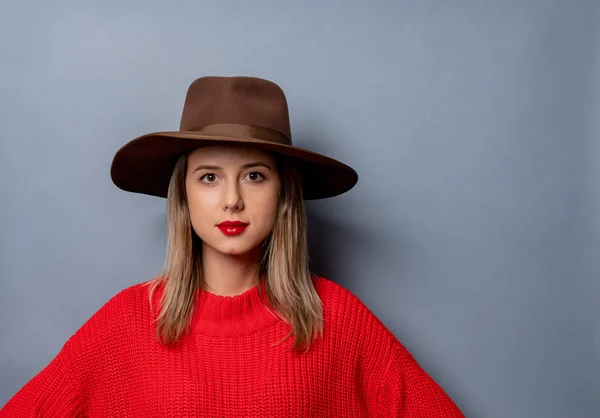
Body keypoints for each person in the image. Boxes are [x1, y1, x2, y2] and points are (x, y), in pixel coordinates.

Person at [0, 76, 464, 417]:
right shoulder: (127, 321)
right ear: (183, 195)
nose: (232, 200)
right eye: (209, 178)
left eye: (255, 175)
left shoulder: (337, 318)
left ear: (284, 194)